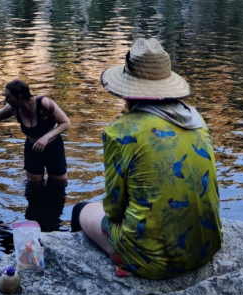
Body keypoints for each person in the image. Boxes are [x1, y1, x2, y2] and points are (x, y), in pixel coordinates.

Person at [72, 38, 222, 279]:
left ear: (129, 90)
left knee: (81, 210)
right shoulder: (197, 120)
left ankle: (123, 258)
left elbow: (113, 208)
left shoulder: (120, 131)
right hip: (205, 249)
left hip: (154, 263)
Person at [0, 79, 70, 184]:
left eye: (8, 97)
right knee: (34, 183)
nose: (5, 100)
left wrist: (46, 138)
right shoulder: (13, 108)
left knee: (59, 183)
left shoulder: (43, 103)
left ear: (20, 96)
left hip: (53, 147)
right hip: (32, 148)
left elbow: (65, 123)